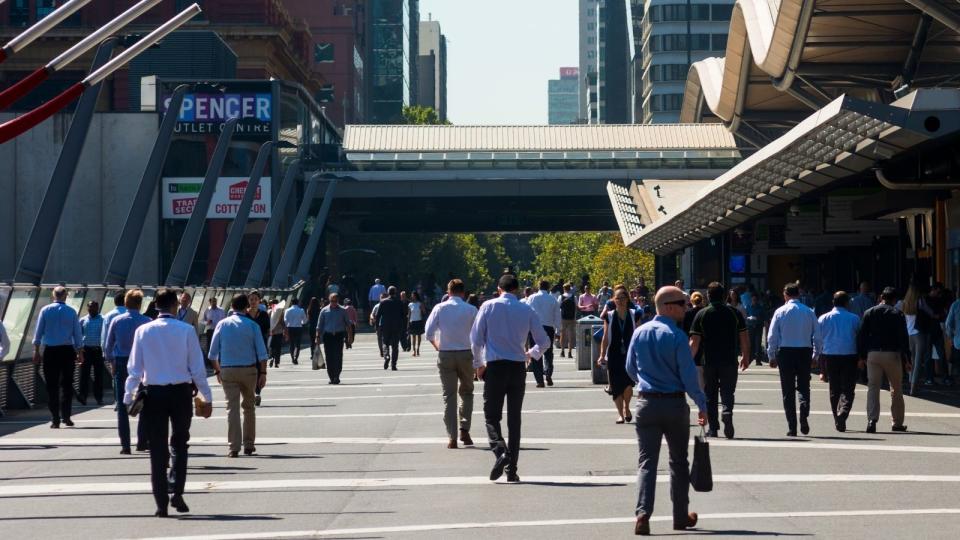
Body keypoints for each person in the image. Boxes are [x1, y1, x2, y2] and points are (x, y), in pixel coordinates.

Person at [124, 289, 213, 517]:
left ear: (155, 306)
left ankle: (161, 503)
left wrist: (128, 397)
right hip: (181, 393)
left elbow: (134, 369)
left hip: (153, 394)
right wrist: (207, 396)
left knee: (157, 447)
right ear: (175, 306)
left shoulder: (143, 331)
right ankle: (177, 490)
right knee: (180, 443)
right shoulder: (187, 330)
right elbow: (197, 368)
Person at [627, 286, 707, 536]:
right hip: (673, 404)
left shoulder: (639, 332)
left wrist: (645, 382)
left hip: (646, 403)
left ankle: (642, 514)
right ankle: (680, 515)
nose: (687, 307)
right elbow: (688, 376)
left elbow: (630, 368)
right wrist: (701, 404)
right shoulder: (677, 336)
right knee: (678, 461)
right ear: (669, 307)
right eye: (683, 304)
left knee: (646, 463)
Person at [470, 274, 550, 483]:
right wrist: (530, 354)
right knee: (515, 419)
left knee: (491, 415)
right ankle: (512, 470)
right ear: (515, 289)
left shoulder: (488, 306)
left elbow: (476, 339)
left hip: (495, 366)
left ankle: (500, 450)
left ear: (499, 288)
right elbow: (544, 341)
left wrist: (478, 365)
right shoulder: (526, 309)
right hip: (517, 367)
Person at [209, 294, 269, 458]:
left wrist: (218, 370)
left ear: (232, 307)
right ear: (245, 307)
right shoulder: (252, 325)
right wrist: (263, 373)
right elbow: (262, 354)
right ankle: (249, 445)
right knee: (249, 407)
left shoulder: (221, 324)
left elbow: (212, 354)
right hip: (249, 371)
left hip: (227, 370)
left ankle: (233, 447)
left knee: (232, 408)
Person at [689, 282, 750, 439]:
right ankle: (727, 411)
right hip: (729, 359)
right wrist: (746, 356)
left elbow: (694, 342)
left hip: (708, 360)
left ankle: (714, 428)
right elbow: (744, 337)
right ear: (725, 296)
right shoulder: (734, 313)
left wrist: (687, 360)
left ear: (708, 296)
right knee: (728, 391)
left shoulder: (702, 314)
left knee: (710, 393)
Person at [426, 279, 479, 449]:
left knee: (449, 396)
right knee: (467, 392)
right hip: (465, 353)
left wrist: (437, 345)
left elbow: (428, 332)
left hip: (446, 353)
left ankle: (452, 437)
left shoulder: (439, 308)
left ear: (448, 292)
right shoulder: (471, 309)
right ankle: (465, 429)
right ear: (463, 293)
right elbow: (478, 336)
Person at [767, 282, 822, 436]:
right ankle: (804, 414)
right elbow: (817, 336)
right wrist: (816, 355)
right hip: (804, 351)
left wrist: (771, 355)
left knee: (788, 390)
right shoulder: (809, 312)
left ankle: (792, 426)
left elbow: (772, 336)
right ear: (798, 294)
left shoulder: (780, 311)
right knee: (804, 386)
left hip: (785, 352)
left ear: (785, 294)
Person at [104, 290, 151, 454]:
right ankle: (142, 441)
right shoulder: (147, 321)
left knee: (123, 404)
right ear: (140, 304)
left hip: (122, 362)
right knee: (144, 402)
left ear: (125, 303)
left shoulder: (116, 320)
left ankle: (125, 445)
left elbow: (108, 346)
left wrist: (112, 362)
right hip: (142, 364)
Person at [858, 287, 910, 433]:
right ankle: (897, 422)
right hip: (892, 354)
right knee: (896, 388)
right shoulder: (897, 314)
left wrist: (861, 356)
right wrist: (907, 359)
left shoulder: (869, 312)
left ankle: (871, 420)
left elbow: (862, 336)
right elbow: (903, 338)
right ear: (894, 300)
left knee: (873, 387)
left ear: (881, 297)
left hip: (873, 354)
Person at [32, 286, 83, 428]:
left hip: (51, 352)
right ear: (65, 296)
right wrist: (80, 352)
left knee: (52, 386)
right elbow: (77, 334)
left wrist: (36, 351)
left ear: (53, 295)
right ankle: (66, 416)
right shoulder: (71, 311)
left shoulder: (45, 310)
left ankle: (55, 418)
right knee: (67, 384)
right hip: (67, 351)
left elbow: (38, 332)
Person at [818, 291, 861, 432]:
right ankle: (843, 413)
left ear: (833, 302)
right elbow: (859, 338)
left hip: (830, 355)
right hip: (849, 355)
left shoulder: (823, 318)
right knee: (848, 388)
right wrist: (861, 357)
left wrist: (818, 359)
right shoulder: (854, 318)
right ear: (847, 303)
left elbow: (818, 340)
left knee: (834, 388)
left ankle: (837, 417)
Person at [599, 288, 637, 423]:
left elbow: (639, 334)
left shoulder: (634, 314)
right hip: (614, 354)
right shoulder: (609, 316)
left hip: (629, 354)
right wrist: (602, 355)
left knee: (628, 383)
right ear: (613, 300)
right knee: (615, 386)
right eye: (617, 298)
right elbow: (605, 337)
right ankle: (620, 414)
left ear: (627, 299)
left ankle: (627, 407)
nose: (620, 301)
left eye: (622, 298)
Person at [525, 280, 561, 388]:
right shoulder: (553, 299)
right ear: (548, 287)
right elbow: (557, 316)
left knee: (536, 354)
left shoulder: (531, 298)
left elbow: (527, 312)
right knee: (548, 353)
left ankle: (539, 380)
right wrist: (558, 331)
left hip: (535, 328)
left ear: (538, 286)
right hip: (548, 328)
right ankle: (548, 373)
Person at [902, 282, 935, 395]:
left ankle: (911, 382)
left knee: (911, 359)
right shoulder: (920, 301)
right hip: (919, 333)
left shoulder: (904, 303)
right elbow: (930, 312)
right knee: (918, 361)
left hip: (909, 334)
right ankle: (913, 388)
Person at [317, 293, 354, 385]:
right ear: (329, 301)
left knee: (338, 356)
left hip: (338, 335)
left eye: (335, 301)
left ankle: (337, 376)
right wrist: (317, 337)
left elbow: (348, 325)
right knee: (329, 357)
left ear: (338, 301)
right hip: (328, 336)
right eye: (332, 301)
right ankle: (331, 376)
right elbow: (319, 325)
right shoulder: (324, 311)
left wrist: (350, 336)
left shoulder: (342, 310)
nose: (333, 303)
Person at [78, 300, 105, 406]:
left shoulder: (103, 320)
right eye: (89, 307)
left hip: (98, 350)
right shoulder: (83, 320)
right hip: (86, 350)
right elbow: (79, 336)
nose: (91, 309)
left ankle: (99, 397)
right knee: (84, 374)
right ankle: (83, 396)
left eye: (93, 307)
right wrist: (78, 351)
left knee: (99, 375)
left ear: (97, 308)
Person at [377, 286, 406, 370]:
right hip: (396, 326)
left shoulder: (383, 302)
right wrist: (404, 327)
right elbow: (403, 315)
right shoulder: (399, 302)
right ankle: (393, 365)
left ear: (388, 292)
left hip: (385, 326)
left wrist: (377, 326)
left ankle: (386, 356)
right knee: (395, 346)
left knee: (385, 343)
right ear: (395, 292)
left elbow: (378, 315)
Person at [201, 297, 226, 363]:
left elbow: (224, 320)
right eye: (213, 301)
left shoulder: (221, 310)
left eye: (215, 301)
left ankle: (219, 361)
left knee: (219, 345)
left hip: (219, 330)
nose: (214, 303)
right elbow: (202, 320)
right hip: (210, 330)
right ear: (210, 302)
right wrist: (207, 322)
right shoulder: (207, 310)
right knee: (210, 345)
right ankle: (210, 362)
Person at [283, 298, 307, 365]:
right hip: (298, 328)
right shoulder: (301, 310)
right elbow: (305, 320)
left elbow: (285, 320)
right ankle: (296, 358)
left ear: (291, 303)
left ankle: (292, 358)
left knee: (292, 344)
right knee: (298, 344)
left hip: (291, 328)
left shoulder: (287, 310)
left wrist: (288, 325)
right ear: (298, 302)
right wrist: (301, 322)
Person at [745, 293, 767, 366]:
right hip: (750, 327)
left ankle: (758, 360)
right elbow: (745, 316)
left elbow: (764, 318)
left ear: (757, 300)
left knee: (758, 344)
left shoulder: (761, 307)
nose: (754, 301)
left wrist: (758, 319)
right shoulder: (748, 307)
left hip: (758, 327)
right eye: (753, 299)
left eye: (755, 300)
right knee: (750, 344)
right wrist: (749, 318)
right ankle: (750, 359)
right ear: (751, 300)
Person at [559, 283, 577, 357]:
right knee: (571, 336)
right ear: (570, 288)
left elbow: (559, 307)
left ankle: (562, 351)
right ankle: (570, 352)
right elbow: (576, 308)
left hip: (563, 318)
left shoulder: (561, 297)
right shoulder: (574, 297)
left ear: (564, 289)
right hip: (571, 318)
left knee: (562, 335)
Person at [267, 299, 285, 368]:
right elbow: (282, 322)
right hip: (279, 332)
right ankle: (276, 362)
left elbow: (267, 322)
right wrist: (285, 330)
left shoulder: (269, 312)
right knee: (278, 348)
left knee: (271, 346)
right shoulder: (280, 312)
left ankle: (271, 357)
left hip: (271, 332)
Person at [408, 292, 426, 356]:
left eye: (413, 296)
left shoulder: (420, 304)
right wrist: (408, 323)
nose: (412, 297)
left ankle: (418, 349)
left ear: (416, 296)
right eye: (412, 296)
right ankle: (414, 350)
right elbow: (409, 314)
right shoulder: (410, 304)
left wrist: (422, 308)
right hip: (412, 322)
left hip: (419, 321)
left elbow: (424, 312)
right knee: (413, 337)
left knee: (419, 336)